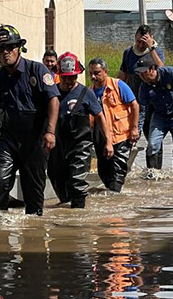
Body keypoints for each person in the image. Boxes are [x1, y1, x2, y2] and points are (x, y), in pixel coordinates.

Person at [0, 25, 60, 216]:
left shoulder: (36, 70)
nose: (5, 53)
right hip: (9, 140)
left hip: (35, 141)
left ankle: (33, 234)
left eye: (9, 47)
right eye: (0, 49)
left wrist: (51, 132)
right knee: (1, 180)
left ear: (18, 47)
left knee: (33, 196)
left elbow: (53, 100)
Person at [47, 53, 113, 208]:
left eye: (73, 77)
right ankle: (66, 211)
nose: (69, 81)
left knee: (77, 181)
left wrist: (108, 142)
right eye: (65, 78)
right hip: (57, 145)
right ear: (58, 75)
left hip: (80, 145)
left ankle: (77, 218)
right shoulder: (51, 94)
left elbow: (100, 117)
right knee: (56, 177)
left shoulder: (86, 93)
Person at [88, 57, 140, 192]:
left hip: (121, 136)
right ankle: (112, 195)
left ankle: (116, 200)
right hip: (101, 137)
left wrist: (134, 129)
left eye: (97, 73)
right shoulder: (90, 92)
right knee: (103, 172)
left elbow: (134, 105)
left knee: (117, 171)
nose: (93, 76)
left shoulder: (118, 85)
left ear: (105, 72)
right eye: (91, 73)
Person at [117, 25, 165, 138]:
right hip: (133, 102)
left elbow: (162, 70)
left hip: (152, 104)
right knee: (131, 136)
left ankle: (154, 156)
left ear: (151, 38)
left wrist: (151, 48)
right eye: (138, 41)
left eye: (144, 42)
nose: (140, 45)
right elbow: (122, 75)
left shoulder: (156, 51)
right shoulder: (128, 52)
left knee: (153, 139)